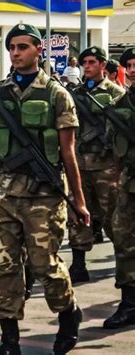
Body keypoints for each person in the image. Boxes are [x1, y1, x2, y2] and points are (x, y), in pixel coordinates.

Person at [0, 24, 90, 354]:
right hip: (4, 192)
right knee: (3, 266)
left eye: (22, 47)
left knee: (45, 265)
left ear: (38, 50)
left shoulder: (57, 94)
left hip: (43, 194)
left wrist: (79, 200)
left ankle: (68, 313)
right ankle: (9, 339)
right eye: (11, 47)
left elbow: (68, 152)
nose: (15, 53)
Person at [67, 46, 125, 283]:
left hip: (106, 167)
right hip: (80, 166)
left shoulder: (116, 93)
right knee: (77, 215)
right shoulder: (74, 93)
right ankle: (79, 264)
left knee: (113, 216)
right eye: (85, 62)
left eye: (92, 62)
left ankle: (123, 262)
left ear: (103, 65)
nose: (87, 66)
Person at [103, 47, 135, 330]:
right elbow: (114, 150)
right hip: (129, 184)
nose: (134, 69)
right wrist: (114, 179)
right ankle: (129, 302)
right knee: (124, 243)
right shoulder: (119, 104)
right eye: (129, 65)